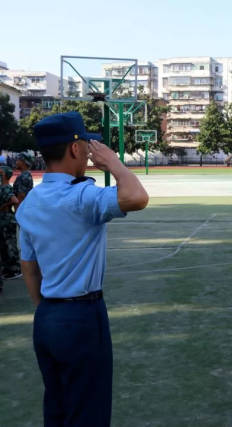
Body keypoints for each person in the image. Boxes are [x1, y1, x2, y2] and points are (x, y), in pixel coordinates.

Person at [17, 112, 148, 426]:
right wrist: (114, 164)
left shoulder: (30, 203)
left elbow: (30, 268)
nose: (90, 152)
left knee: (58, 407)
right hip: (81, 317)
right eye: (87, 145)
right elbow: (137, 197)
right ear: (75, 149)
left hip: (47, 316)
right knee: (88, 411)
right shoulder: (81, 196)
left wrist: (48, 309)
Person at [0, 165, 20, 280]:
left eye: (1, 173)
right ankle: (7, 269)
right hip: (3, 219)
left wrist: (3, 207)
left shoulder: (6, 187)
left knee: (10, 245)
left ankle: (15, 270)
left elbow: (15, 200)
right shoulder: (2, 187)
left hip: (7, 218)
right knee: (4, 245)